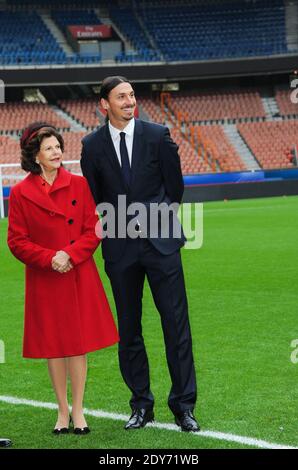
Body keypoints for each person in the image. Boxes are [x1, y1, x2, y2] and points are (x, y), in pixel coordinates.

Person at [81, 76, 199, 432]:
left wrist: (156, 221)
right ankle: (141, 405)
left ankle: (183, 406)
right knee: (129, 330)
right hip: (120, 248)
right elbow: (95, 197)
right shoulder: (92, 145)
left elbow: (174, 187)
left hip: (161, 243)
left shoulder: (157, 134)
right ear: (105, 104)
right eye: (121, 97)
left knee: (175, 327)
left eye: (132, 95)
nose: (130, 101)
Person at [7, 122, 119, 435]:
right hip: (46, 276)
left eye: (58, 146)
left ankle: (79, 410)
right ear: (36, 156)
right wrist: (50, 258)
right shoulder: (19, 193)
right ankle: (61, 410)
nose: (57, 152)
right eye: (49, 148)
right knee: (54, 346)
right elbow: (16, 241)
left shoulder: (80, 185)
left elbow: (93, 229)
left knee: (77, 345)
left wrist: (68, 254)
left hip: (77, 271)